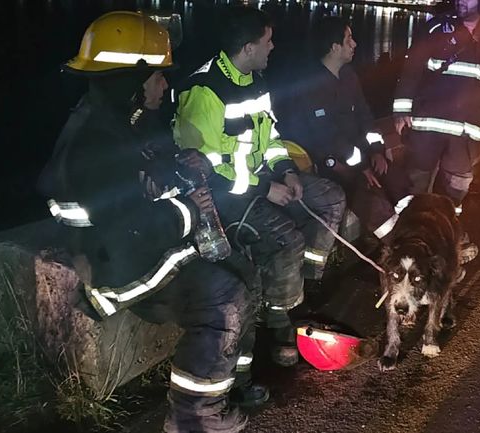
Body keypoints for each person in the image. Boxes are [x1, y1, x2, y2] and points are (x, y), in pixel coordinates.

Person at [38, 12, 263, 433]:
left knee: (242, 269)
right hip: (112, 269)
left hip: (137, 249)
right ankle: (192, 416)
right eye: (158, 76)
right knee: (223, 295)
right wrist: (191, 212)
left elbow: (146, 171)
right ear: (131, 78)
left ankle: (232, 382)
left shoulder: (124, 119)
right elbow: (129, 231)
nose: (165, 85)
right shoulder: (95, 142)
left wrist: (177, 165)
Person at [173, 6, 346, 367]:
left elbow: (271, 138)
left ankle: (303, 288)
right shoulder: (204, 91)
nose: (273, 47)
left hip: (260, 181)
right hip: (226, 198)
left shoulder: (256, 81)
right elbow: (207, 170)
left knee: (330, 197)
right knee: (287, 239)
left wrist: (287, 171)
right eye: (267, 41)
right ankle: (280, 322)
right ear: (248, 48)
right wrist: (265, 191)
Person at [393, 0, 480, 250]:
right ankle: (407, 246)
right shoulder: (435, 29)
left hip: (465, 136)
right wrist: (401, 111)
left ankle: (446, 244)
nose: (460, 1)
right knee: (414, 192)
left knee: (453, 196)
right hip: (425, 130)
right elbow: (411, 70)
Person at [276, 17, 411, 242]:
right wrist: (362, 167)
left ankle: (415, 231)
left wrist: (377, 150)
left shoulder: (349, 77)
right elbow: (328, 139)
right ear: (334, 47)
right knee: (370, 198)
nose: (354, 44)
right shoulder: (313, 86)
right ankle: (399, 248)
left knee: (398, 179)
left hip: (359, 157)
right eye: (349, 39)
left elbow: (366, 117)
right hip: (331, 164)